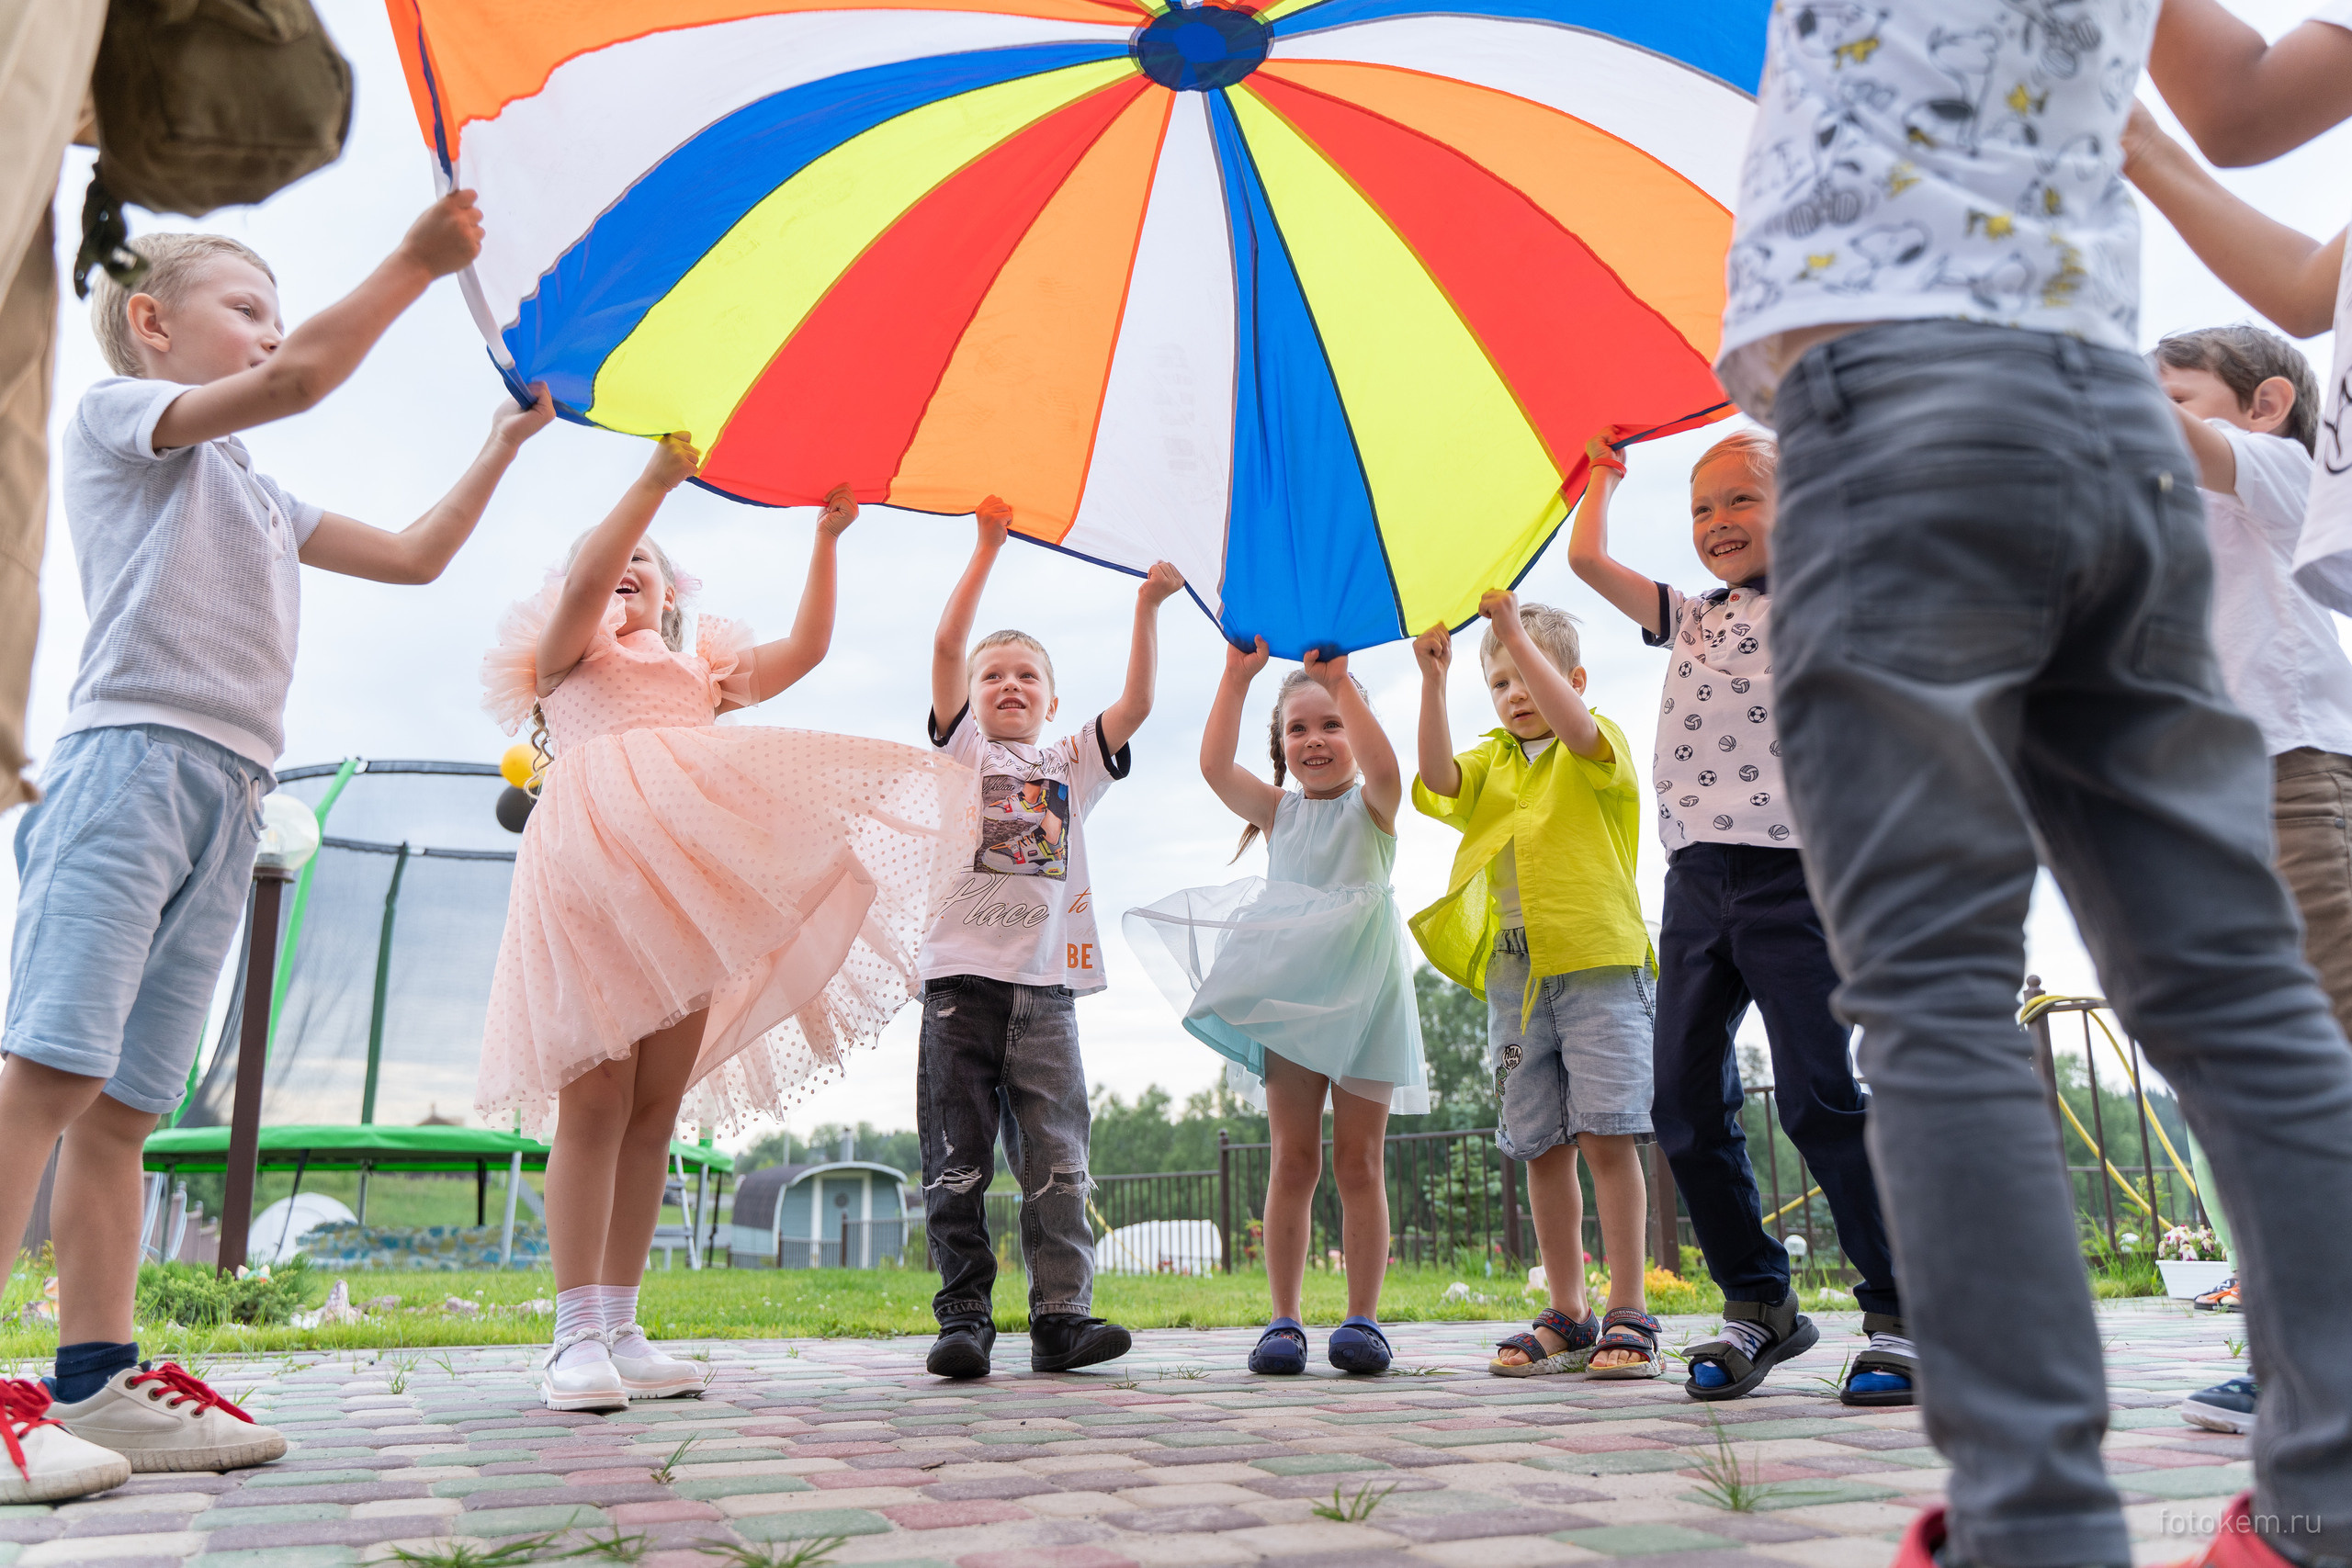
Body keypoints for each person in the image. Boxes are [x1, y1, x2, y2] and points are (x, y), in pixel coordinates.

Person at [1716, 1, 2352, 1562]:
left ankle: (2038, 1522)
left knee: (1933, 989)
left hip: (1900, 403)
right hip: (2112, 426)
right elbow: (2253, 103)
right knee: (2240, 992)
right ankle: (2333, 1495)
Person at [0, 199, 548, 1494]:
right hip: (128, 768)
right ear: (151, 321)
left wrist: (502, 443)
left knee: (126, 1110)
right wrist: (417, 259)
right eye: (245, 307)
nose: (272, 333)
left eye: (273, 312)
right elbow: (300, 382)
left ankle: (98, 1375)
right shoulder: (120, 421)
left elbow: (414, 557)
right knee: (46, 1077)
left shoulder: (256, 490)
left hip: (231, 790)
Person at [480, 438, 966, 1413]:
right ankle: (573, 1332)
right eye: (612, 557)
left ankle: (621, 1320)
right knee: (596, 1095)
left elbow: (807, 651)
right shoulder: (569, 652)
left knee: (656, 1100)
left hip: (686, 892)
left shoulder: (698, 666)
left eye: (645, 561)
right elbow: (587, 572)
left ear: (671, 592)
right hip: (593, 876)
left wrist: (826, 541)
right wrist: (655, 483)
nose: (624, 567)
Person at [1566, 426, 1907, 1406]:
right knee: (1677, 1106)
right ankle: (1758, 1304)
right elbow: (1588, 559)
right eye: (1701, 509)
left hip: (1796, 876)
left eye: (1741, 501)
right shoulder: (1690, 617)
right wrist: (1603, 474)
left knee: (1816, 1098)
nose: (1717, 523)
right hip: (1694, 885)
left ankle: (1899, 1310)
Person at [917, 497, 1182, 1379]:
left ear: (1053, 697)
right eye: (996, 676)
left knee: (1059, 1165)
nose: (1009, 687)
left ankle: (1061, 1318)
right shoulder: (963, 756)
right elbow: (946, 648)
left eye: (1027, 675)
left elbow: (1138, 703)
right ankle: (963, 1320)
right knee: (956, 1164)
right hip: (959, 990)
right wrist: (985, 551)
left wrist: (1147, 606)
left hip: (1047, 997)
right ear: (972, 696)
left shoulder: (1071, 765)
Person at [1125, 638, 1426, 1375]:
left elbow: (1389, 768)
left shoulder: (1373, 808)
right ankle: (1284, 1320)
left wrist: (1340, 683)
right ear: (1281, 746)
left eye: (1332, 724)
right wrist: (1233, 679)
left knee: (1359, 1162)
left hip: (1367, 1002)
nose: (1316, 740)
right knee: (1293, 1160)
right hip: (1291, 1001)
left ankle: (1363, 1320)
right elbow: (1212, 767)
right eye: (1298, 729)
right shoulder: (1279, 815)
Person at [1411, 592, 1661, 1380]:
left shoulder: (1597, 746)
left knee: (1607, 1134)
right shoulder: (1492, 761)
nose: (1515, 693)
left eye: (1531, 677)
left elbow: (1578, 728)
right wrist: (1433, 681)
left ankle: (1629, 1306)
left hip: (1596, 963)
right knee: (1539, 1142)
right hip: (1516, 976)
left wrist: (1511, 629)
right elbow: (1436, 777)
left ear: (1575, 678)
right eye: (1501, 683)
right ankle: (1569, 1307)